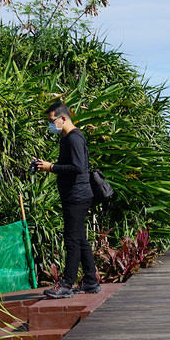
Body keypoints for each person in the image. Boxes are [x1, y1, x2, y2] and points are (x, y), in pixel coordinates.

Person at [32, 100, 101, 299]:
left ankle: (66, 284)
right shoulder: (66, 139)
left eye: (52, 121)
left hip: (77, 196)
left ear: (63, 118)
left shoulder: (74, 139)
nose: (50, 125)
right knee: (80, 240)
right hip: (75, 195)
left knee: (71, 241)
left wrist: (51, 167)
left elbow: (78, 168)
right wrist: (43, 165)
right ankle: (90, 281)